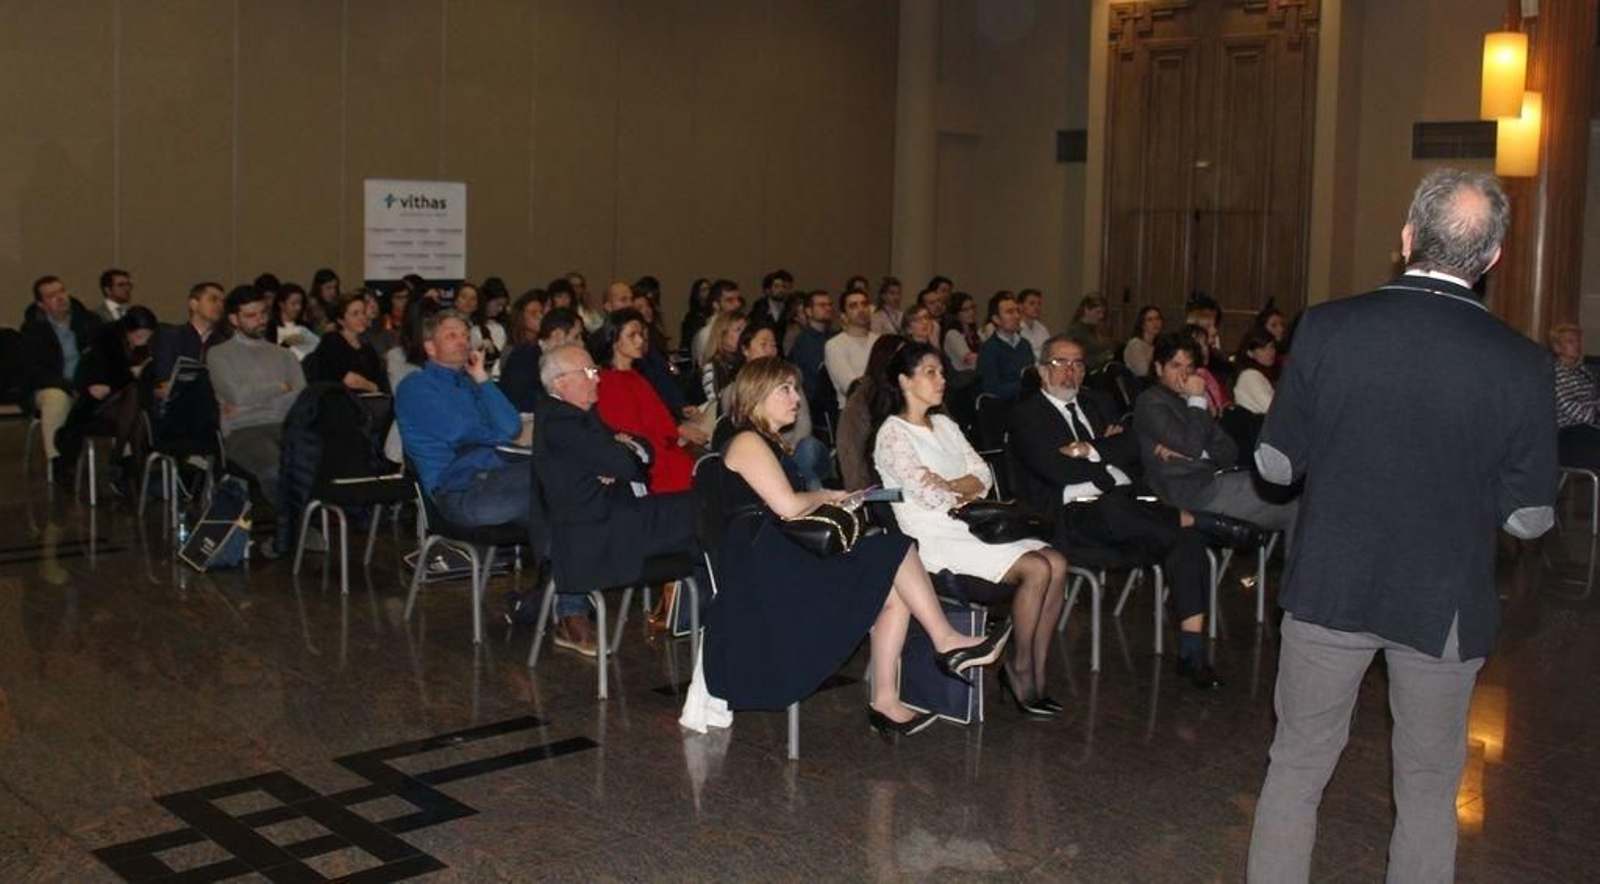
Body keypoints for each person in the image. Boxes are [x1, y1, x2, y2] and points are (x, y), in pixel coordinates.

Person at [1246, 169, 1557, 882]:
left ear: (1407, 237)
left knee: (1296, 768)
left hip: (1331, 584)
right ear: (1492, 258)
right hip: (1443, 601)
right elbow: (1529, 518)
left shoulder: (1327, 326)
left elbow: (1274, 464)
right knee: (1425, 789)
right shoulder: (1522, 362)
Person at [702, 356, 1012, 736]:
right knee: (894, 547)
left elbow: (788, 507)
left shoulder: (772, 444)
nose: (796, 397)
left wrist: (828, 498)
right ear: (755, 395)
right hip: (764, 570)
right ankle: (946, 641)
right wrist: (827, 495)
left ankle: (885, 701)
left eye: (796, 388)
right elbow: (785, 507)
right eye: (784, 389)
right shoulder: (747, 440)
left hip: (780, 556)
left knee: (892, 587)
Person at [1009, 335, 1244, 688]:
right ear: (1043, 371)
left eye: (1078, 364)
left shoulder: (1097, 402)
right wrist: (1108, 458)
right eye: (1061, 363)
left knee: (1185, 539)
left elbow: (1134, 447)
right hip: (1066, 519)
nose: (1070, 372)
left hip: (1124, 516)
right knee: (1119, 505)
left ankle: (1192, 654)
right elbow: (1055, 471)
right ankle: (1201, 519)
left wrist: (1090, 449)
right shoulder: (1027, 414)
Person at [872, 342, 1070, 715]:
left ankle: (1034, 669)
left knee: (1057, 562)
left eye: (942, 372)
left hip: (970, 523)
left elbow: (983, 475)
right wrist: (956, 487)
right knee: (1037, 567)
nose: (942, 379)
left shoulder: (945, 424)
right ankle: (1020, 670)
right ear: (904, 381)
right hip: (930, 538)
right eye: (931, 372)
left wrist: (952, 485)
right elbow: (927, 496)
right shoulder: (892, 434)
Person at [535, 343, 699, 657]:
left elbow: (642, 450)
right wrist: (620, 455)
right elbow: (626, 461)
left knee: (702, 510)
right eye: (587, 372)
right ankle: (711, 610)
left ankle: (700, 609)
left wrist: (620, 454)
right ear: (559, 382)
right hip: (603, 533)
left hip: (619, 514)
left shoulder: (581, 413)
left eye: (595, 370)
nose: (597, 378)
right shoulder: (561, 421)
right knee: (702, 511)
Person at [1134, 334, 1296, 539]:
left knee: (1292, 494)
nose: (1184, 375)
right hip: (1190, 494)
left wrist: (1201, 455)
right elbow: (1192, 445)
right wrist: (1196, 401)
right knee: (1296, 506)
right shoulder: (1151, 402)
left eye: (1190, 367)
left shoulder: (1187, 402)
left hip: (1216, 480)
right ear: (1158, 368)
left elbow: (1228, 449)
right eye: (1176, 366)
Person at [395, 310, 531, 532]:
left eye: (466, 336)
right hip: (457, 491)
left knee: (567, 493)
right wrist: (504, 443)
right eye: (452, 335)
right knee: (556, 479)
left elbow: (512, 426)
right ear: (430, 347)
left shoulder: (472, 384)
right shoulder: (415, 387)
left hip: (495, 477)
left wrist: (482, 379)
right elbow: (459, 432)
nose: (463, 342)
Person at [207, 285, 306, 516]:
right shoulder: (219, 354)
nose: (260, 320)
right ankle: (294, 529)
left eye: (263, 313)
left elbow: (300, 396)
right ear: (233, 319)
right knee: (274, 468)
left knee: (313, 461)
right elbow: (236, 395)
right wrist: (281, 387)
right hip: (244, 431)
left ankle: (297, 525)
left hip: (285, 425)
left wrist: (249, 405)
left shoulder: (285, 355)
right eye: (251, 316)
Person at [593, 309, 708, 494]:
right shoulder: (607, 382)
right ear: (614, 340)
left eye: (641, 334)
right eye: (632, 335)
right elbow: (630, 431)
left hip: (665, 452)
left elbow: (660, 421)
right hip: (652, 460)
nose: (640, 341)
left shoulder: (636, 377)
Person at [54, 306, 159, 496]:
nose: (142, 340)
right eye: (139, 335)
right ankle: (129, 470)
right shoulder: (106, 342)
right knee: (135, 399)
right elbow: (103, 377)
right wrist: (132, 374)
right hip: (100, 404)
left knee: (137, 413)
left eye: (147, 335)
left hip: (130, 409)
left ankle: (122, 464)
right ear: (127, 331)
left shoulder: (150, 347)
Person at [19, 275, 102, 484]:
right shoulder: (32, 330)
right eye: (52, 296)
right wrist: (68, 386)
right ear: (41, 304)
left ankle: (128, 460)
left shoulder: (89, 322)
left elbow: (105, 356)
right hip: (51, 386)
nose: (60, 298)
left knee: (128, 395)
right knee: (56, 399)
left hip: (89, 385)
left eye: (62, 291)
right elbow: (33, 371)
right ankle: (59, 461)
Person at [152, 281, 229, 390]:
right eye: (213, 299)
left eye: (222, 302)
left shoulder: (223, 342)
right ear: (193, 304)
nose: (219, 305)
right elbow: (164, 381)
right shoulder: (171, 336)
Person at [500, 307, 579, 413]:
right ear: (557, 335)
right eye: (576, 337)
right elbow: (519, 400)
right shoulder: (525, 356)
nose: (580, 344)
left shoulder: (559, 359)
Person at [307, 292, 387, 394]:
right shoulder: (332, 341)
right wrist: (371, 386)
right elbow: (348, 380)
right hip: (338, 401)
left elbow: (380, 383)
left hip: (366, 402)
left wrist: (372, 386)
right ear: (341, 320)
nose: (361, 318)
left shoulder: (367, 347)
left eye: (363, 312)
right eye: (355, 314)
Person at [1550, 323, 1600, 468]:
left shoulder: (1583, 371)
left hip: (1586, 428)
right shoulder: (1554, 373)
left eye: (1578, 340)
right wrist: (1595, 413)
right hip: (1566, 434)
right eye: (1570, 341)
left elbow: (1594, 401)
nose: (1577, 345)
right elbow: (1573, 410)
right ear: (1557, 347)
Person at [823, 288, 880, 400]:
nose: (861, 309)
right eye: (853, 306)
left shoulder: (880, 340)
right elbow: (850, 386)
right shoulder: (834, 345)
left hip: (881, 406)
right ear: (844, 315)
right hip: (851, 409)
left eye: (864, 304)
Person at [976, 291, 1034, 400]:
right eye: (1010, 312)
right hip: (1005, 407)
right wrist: (1025, 386)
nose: (1017, 316)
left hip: (1027, 402)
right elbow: (991, 389)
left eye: (1017, 311)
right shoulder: (989, 349)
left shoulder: (1025, 344)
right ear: (996, 319)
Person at [786, 289, 835, 401]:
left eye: (829, 304)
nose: (828, 308)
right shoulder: (803, 342)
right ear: (808, 311)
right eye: (822, 305)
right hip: (816, 401)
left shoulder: (835, 336)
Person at [699, 311, 747, 407]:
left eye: (746, 329)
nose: (744, 334)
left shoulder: (746, 360)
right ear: (722, 335)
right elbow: (714, 405)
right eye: (738, 329)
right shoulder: (712, 366)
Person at [691, 279, 744, 365]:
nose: (737, 304)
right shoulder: (707, 334)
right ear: (716, 305)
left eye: (738, 299)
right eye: (730, 300)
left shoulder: (743, 325)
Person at [269, 283, 321, 361]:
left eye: (300, 303)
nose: (298, 308)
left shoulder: (305, 326)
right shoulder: (271, 327)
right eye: (293, 304)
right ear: (281, 304)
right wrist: (286, 343)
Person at [1232, 327, 1278, 415]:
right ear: (1250, 353)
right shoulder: (1250, 376)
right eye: (1263, 349)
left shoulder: (1265, 373)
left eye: (1271, 347)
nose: (1270, 352)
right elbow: (1271, 408)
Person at [1064, 295, 1114, 370]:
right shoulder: (1075, 331)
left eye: (1103, 313)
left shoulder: (1101, 329)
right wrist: (1103, 357)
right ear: (1086, 310)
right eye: (1098, 312)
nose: (1101, 316)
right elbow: (1077, 359)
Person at [942, 292, 983, 376]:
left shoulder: (975, 332)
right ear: (956, 314)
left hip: (977, 375)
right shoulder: (953, 334)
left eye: (972, 307)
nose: (971, 312)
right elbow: (969, 360)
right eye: (965, 310)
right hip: (964, 380)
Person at [748, 269, 794, 338]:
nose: (781, 290)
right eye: (776, 286)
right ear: (767, 290)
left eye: (783, 287)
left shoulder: (790, 306)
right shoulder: (760, 306)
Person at [1122, 305, 1163, 377]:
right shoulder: (1135, 344)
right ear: (1142, 324)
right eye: (1149, 320)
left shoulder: (1158, 344)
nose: (1155, 323)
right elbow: (1143, 372)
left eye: (1157, 318)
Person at [679, 277, 713, 355]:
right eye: (704, 290)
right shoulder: (692, 317)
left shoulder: (715, 311)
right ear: (697, 294)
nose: (708, 292)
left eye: (710, 289)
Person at [1017, 288, 1050, 356]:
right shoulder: (1015, 329)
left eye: (1039, 304)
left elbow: (1049, 350)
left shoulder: (1041, 328)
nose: (1036, 307)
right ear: (1020, 306)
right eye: (1031, 303)